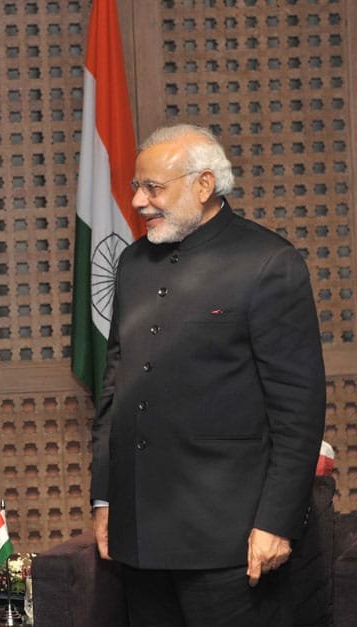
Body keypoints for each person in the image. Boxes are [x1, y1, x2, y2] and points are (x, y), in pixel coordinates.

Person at [90, 124, 325, 626]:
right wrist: (106, 498)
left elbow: (298, 410)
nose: (138, 201)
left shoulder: (269, 262)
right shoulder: (131, 263)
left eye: (153, 188)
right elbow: (115, 390)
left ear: (203, 185)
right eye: (136, 186)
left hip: (234, 541)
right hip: (141, 537)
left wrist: (276, 522)